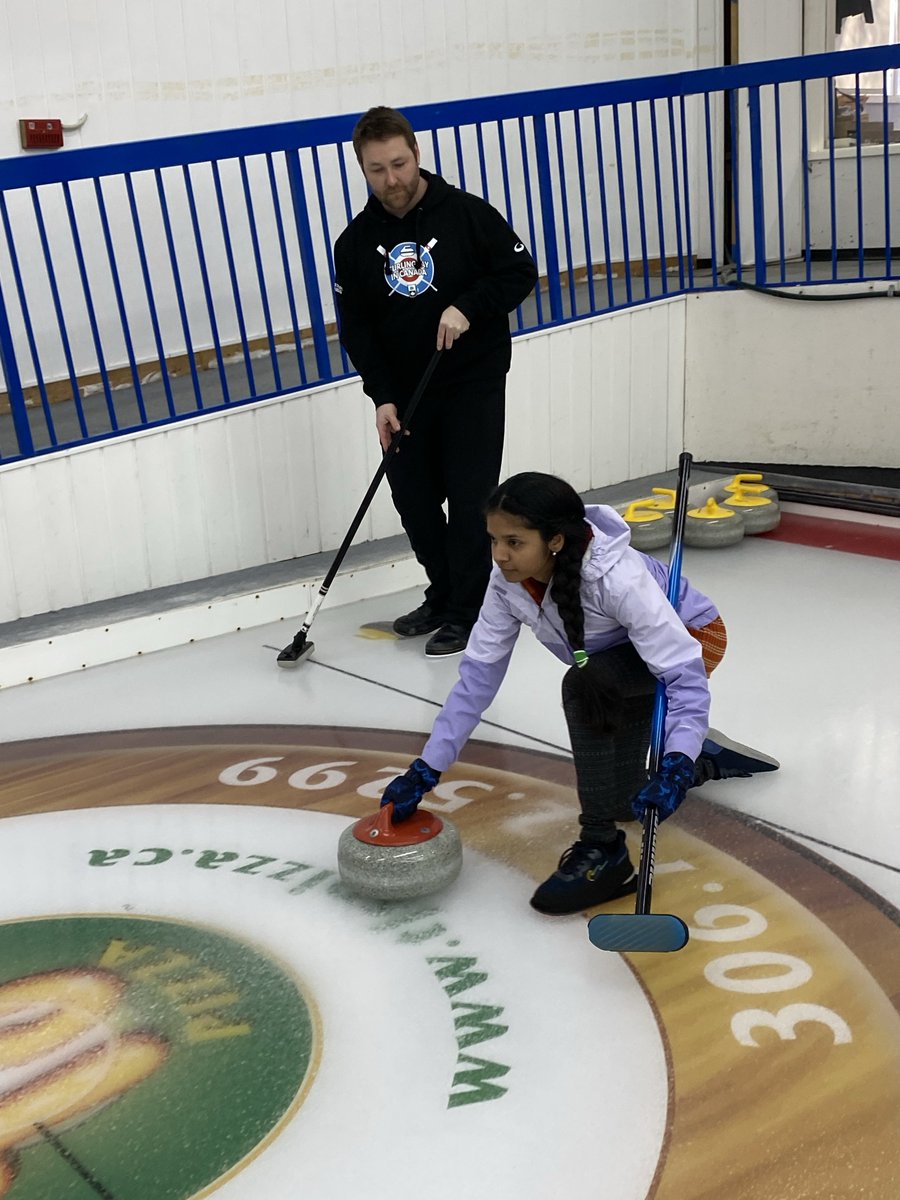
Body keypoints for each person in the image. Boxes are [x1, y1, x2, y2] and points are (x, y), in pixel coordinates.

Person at [378, 472, 779, 915]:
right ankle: (702, 754)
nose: (499, 556)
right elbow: (478, 677)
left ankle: (603, 848)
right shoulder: (507, 581)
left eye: (513, 542)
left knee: (582, 686)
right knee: (626, 799)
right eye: (493, 540)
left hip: (693, 637)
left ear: (553, 540)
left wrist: (676, 764)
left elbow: (683, 678)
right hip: (610, 663)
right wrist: (427, 767)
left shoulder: (620, 579)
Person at [333, 106, 538, 657]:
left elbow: (520, 272)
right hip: (406, 395)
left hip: (472, 382)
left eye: (399, 163)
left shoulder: (468, 215)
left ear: (416, 154)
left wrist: (468, 307)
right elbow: (357, 328)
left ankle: (469, 610)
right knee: (416, 503)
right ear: (362, 168)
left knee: (472, 500)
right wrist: (382, 397)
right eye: (377, 170)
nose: (392, 180)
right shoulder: (353, 244)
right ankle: (443, 594)